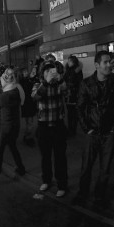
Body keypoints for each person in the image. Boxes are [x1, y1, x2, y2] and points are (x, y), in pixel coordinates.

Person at [74, 50, 114, 207]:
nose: (109, 65)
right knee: (86, 167)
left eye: (110, 61)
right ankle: (82, 194)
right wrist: (86, 128)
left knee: (105, 169)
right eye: (106, 62)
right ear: (96, 65)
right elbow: (80, 108)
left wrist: (113, 128)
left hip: (108, 132)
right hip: (92, 132)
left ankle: (99, 196)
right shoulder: (86, 83)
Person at [33, 61, 68, 197]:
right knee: (45, 157)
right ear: (42, 73)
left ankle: (62, 184)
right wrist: (46, 83)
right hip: (43, 127)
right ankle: (46, 180)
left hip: (58, 125)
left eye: (51, 70)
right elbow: (35, 96)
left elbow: (67, 92)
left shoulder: (59, 84)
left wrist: (60, 79)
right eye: (47, 71)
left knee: (60, 157)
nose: (49, 73)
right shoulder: (38, 85)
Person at [64, 55, 83, 136]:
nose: (68, 62)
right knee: (69, 113)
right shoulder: (68, 70)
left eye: (70, 61)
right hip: (68, 94)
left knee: (74, 113)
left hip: (74, 94)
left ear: (74, 62)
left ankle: (73, 130)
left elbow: (80, 83)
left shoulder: (77, 70)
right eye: (68, 61)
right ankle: (70, 129)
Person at [20, 67, 38, 145]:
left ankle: (27, 136)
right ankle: (28, 137)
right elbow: (27, 90)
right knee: (29, 122)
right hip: (27, 104)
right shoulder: (22, 82)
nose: (26, 73)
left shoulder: (29, 80)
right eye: (24, 72)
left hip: (28, 104)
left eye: (27, 71)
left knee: (29, 122)